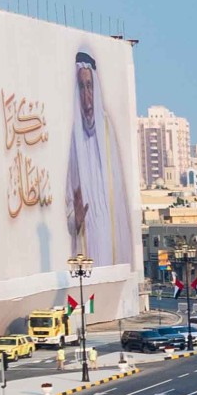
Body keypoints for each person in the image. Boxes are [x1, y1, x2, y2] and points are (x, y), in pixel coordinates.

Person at [61, 49, 133, 269]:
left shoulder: (107, 131)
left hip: (112, 242)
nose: (87, 95)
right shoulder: (75, 139)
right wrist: (76, 218)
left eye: (90, 86)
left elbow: (119, 201)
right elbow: (70, 202)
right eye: (82, 87)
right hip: (88, 243)